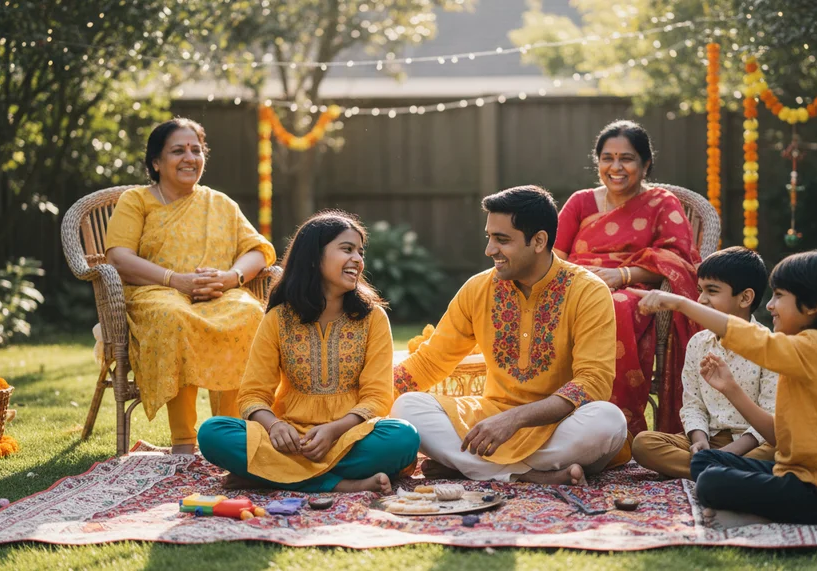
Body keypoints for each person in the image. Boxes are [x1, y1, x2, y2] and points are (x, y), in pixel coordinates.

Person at [391, 186, 628, 485]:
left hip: (557, 424)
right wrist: (365, 401)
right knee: (408, 407)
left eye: (502, 240)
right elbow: (429, 363)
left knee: (608, 422)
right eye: (489, 237)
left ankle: (468, 465)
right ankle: (530, 476)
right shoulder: (478, 289)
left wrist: (514, 420)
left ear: (539, 241)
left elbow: (593, 383)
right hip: (489, 419)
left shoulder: (587, 291)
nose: (490, 250)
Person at [632, 250, 817, 525]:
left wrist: (680, 304)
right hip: (795, 474)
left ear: (813, 305)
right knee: (703, 463)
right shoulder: (805, 351)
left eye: (779, 295)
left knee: (711, 479)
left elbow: (757, 341)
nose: (769, 306)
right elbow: (778, 434)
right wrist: (731, 389)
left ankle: (755, 515)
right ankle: (754, 510)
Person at [198, 211, 419, 493]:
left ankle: (268, 474)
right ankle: (342, 484)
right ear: (314, 257)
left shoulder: (372, 318)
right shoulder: (279, 318)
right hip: (288, 440)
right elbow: (253, 394)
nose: (358, 260)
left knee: (403, 438)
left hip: (349, 437)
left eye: (360, 252)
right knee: (213, 433)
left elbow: (377, 397)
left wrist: (333, 430)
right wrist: (276, 427)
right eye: (347, 249)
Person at [105, 118, 276, 454]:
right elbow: (118, 257)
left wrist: (231, 278)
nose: (189, 157)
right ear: (156, 162)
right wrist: (175, 280)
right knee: (173, 317)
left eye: (196, 150)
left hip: (218, 294)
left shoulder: (219, 203)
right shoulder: (137, 200)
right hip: (156, 293)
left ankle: (231, 435)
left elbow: (256, 250)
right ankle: (183, 441)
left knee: (248, 314)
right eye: (178, 151)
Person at [554, 120, 700, 438]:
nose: (616, 167)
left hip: (635, 288)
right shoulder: (580, 202)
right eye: (607, 158)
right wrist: (576, 279)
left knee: (615, 304)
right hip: (577, 284)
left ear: (645, 164)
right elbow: (554, 256)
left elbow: (676, 259)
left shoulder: (662, 203)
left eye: (627, 158)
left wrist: (620, 275)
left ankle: (614, 427)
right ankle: (549, 416)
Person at [631, 247, 777, 480]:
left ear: (745, 297)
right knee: (643, 443)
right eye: (700, 290)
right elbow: (693, 404)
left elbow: (772, 415)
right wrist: (700, 441)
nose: (701, 299)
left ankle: (712, 471)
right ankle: (725, 474)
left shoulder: (769, 346)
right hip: (710, 440)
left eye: (712, 291)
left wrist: (728, 454)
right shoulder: (698, 343)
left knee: (779, 450)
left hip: (753, 443)